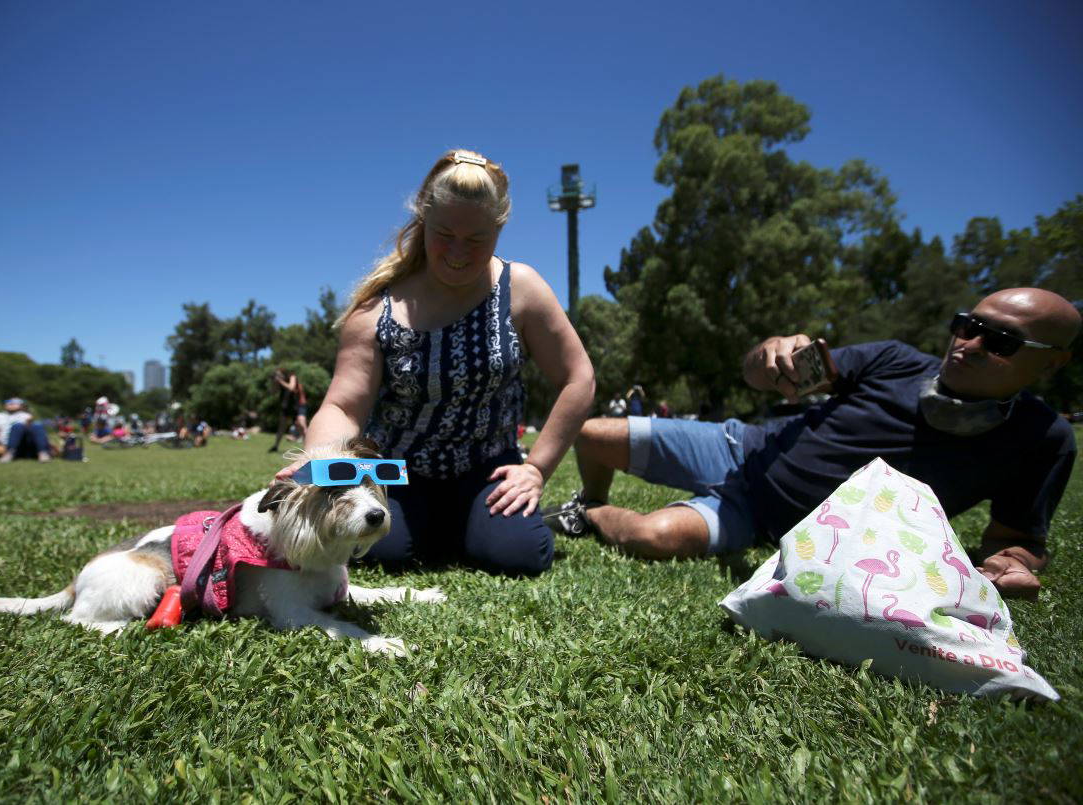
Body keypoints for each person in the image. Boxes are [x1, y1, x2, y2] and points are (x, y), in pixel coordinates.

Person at [544, 288, 1079, 598]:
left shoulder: (1040, 440)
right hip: (743, 447)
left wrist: (1010, 564)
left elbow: (1014, 540)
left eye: (1001, 341)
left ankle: (593, 516)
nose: (969, 345)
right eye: (967, 326)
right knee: (591, 434)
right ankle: (586, 497)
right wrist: (770, 354)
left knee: (650, 536)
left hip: (762, 518)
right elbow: (771, 375)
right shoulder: (894, 360)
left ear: (1053, 361)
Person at [275, 149, 594, 576]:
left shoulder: (521, 288)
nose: (458, 252)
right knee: (379, 553)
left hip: (488, 467)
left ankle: (482, 524)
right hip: (396, 471)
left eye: (476, 239)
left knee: (518, 555)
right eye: (445, 233)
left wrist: (536, 468)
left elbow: (579, 377)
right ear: (423, 220)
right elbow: (344, 406)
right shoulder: (375, 310)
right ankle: (448, 527)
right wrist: (318, 460)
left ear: (498, 230)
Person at [267, 367, 308, 452]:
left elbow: (291, 388)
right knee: (281, 426)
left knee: (301, 423)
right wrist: (274, 383)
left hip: (299, 404)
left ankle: (309, 447)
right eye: (276, 375)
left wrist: (280, 381)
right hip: (287, 406)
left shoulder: (292, 376)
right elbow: (272, 392)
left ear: (283, 373)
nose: (278, 376)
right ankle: (275, 446)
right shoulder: (280, 383)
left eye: (279, 374)